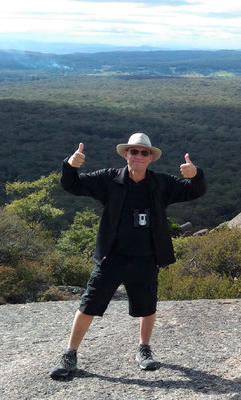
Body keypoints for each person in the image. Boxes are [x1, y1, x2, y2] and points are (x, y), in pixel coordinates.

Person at [49, 133, 206, 379]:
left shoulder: (160, 183)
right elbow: (73, 185)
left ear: (151, 158)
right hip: (112, 257)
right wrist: (70, 165)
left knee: (147, 306)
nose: (139, 156)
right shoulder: (109, 179)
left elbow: (193, 191)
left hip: (146, 257)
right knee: (89, 304)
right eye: (134, 151)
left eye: (144, 152)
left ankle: (144, 349)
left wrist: (195, 175)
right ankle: (70, 354)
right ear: (126, 154)